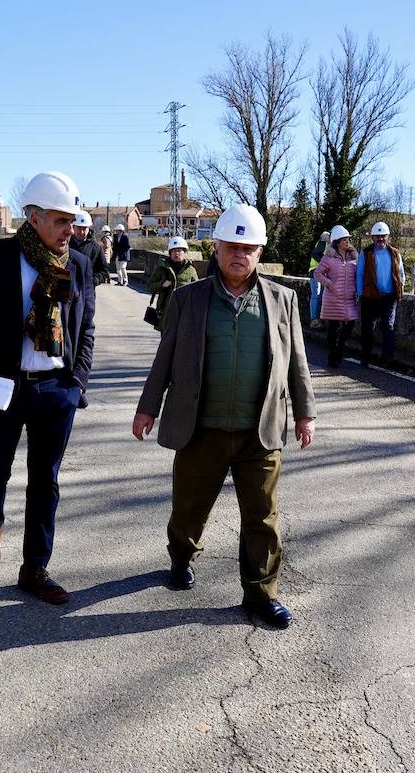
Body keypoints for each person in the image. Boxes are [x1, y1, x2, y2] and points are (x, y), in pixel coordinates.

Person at [132, 204, 316, 630]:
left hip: (260, 431)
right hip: (202, 431)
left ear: (259, 252)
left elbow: (297, 363)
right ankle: (181, 556)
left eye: (248, 247)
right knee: (188, 511)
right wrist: (147, 408)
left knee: (263, 519)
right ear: (215, 249)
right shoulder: (186, 300)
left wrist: (305, 414)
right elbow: (166, 358)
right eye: (231, 246)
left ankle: (261, 594)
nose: (239, 254)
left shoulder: (282, 300)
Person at [0, 170, 95, 605]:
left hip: (55, 388)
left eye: (73, 221)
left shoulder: (78, 264)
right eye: (60, 220)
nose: (71, 229)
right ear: (33, 219)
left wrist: (78, 382)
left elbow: (84, 327)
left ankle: (35, 567)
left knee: (44, 481)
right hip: (0, 386)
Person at [356, 221, 406, 368]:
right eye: (377, 236)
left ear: (387, 236)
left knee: (388, 327)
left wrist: (400, 286)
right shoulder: (366, 253)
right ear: (372, 237)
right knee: (367, 328)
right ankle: (366, 357)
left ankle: (388, 358)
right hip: (370, 296)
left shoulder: (395, 253)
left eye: (383, 236)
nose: (380, 239)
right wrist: (360, 293)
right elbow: (359, 274)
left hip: (389, 296)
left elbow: (401, 273)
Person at [314, 225, 358, 367]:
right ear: (337, 242)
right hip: (333, 298)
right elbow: (317, 273)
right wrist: (329, 284)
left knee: (350, 323)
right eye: (344, 240)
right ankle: (332, 355)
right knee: (333, 328)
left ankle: (339, 349)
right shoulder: (329, 258)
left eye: (348, 240)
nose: (347, 242)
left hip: (349, 298)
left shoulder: (354, 258)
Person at [146, 235, 199, 330]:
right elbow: (149, 286)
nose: (177, 253)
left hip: (184, 315)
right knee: (166, 344)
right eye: (174, 251)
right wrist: (162, 285)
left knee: (182, 344)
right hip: (165, 315)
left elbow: (198, 293)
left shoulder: (191, 271)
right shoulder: (162, 268)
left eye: (179, 250)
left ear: (185, 253)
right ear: (170, 253)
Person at [70, 210, 107, 287]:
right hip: (68, 291)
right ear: (73, 226)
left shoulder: (96, 247)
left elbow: (104, 271)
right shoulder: (65, 244)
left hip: (87, 293)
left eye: (84, 228)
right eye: (79, 228)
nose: (82, 232)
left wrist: (93, 281)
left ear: (89, 228)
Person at [308, 230, 330, 324]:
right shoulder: (322, 243)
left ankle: (317, 318)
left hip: (320, 273)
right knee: (316, 295)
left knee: (319, 295)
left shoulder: (325, 244)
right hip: (315, 272)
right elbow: (314, 254)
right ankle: (314, 319)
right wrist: (323, 264)